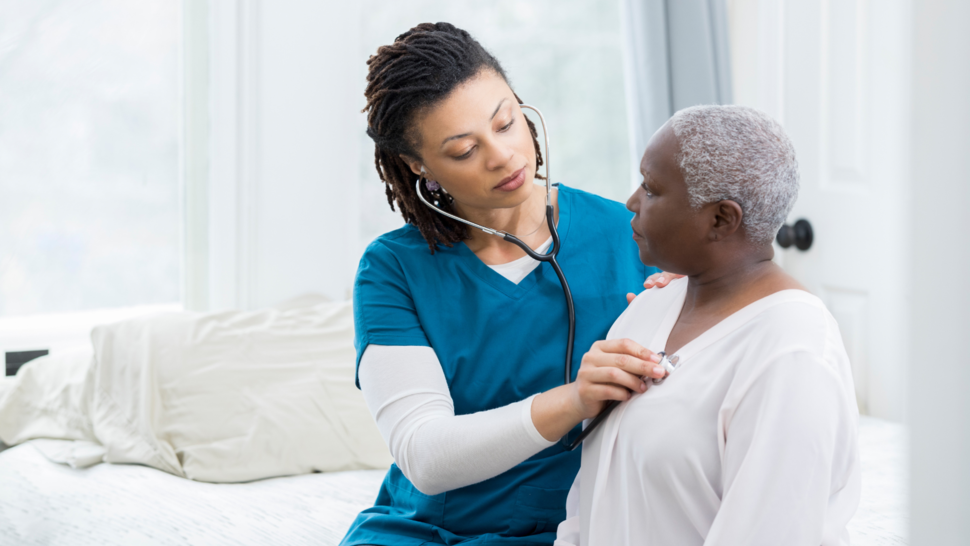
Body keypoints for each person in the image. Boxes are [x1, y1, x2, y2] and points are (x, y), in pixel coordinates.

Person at [342, 23, 672, 546]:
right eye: (463, 150)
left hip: (588, 528)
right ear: (418, 166)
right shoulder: (392, 270)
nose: (501, 156)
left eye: (505, 122)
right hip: (429, 531)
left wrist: (700, 308)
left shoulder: (632, 235)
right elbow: (425, 456)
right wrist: (577, 398)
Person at [555, 105, 861, 546]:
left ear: (721, 219)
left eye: (651, 188)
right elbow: (592, 496)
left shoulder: (793, 354)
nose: (631, 202)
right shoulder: (648, 308)